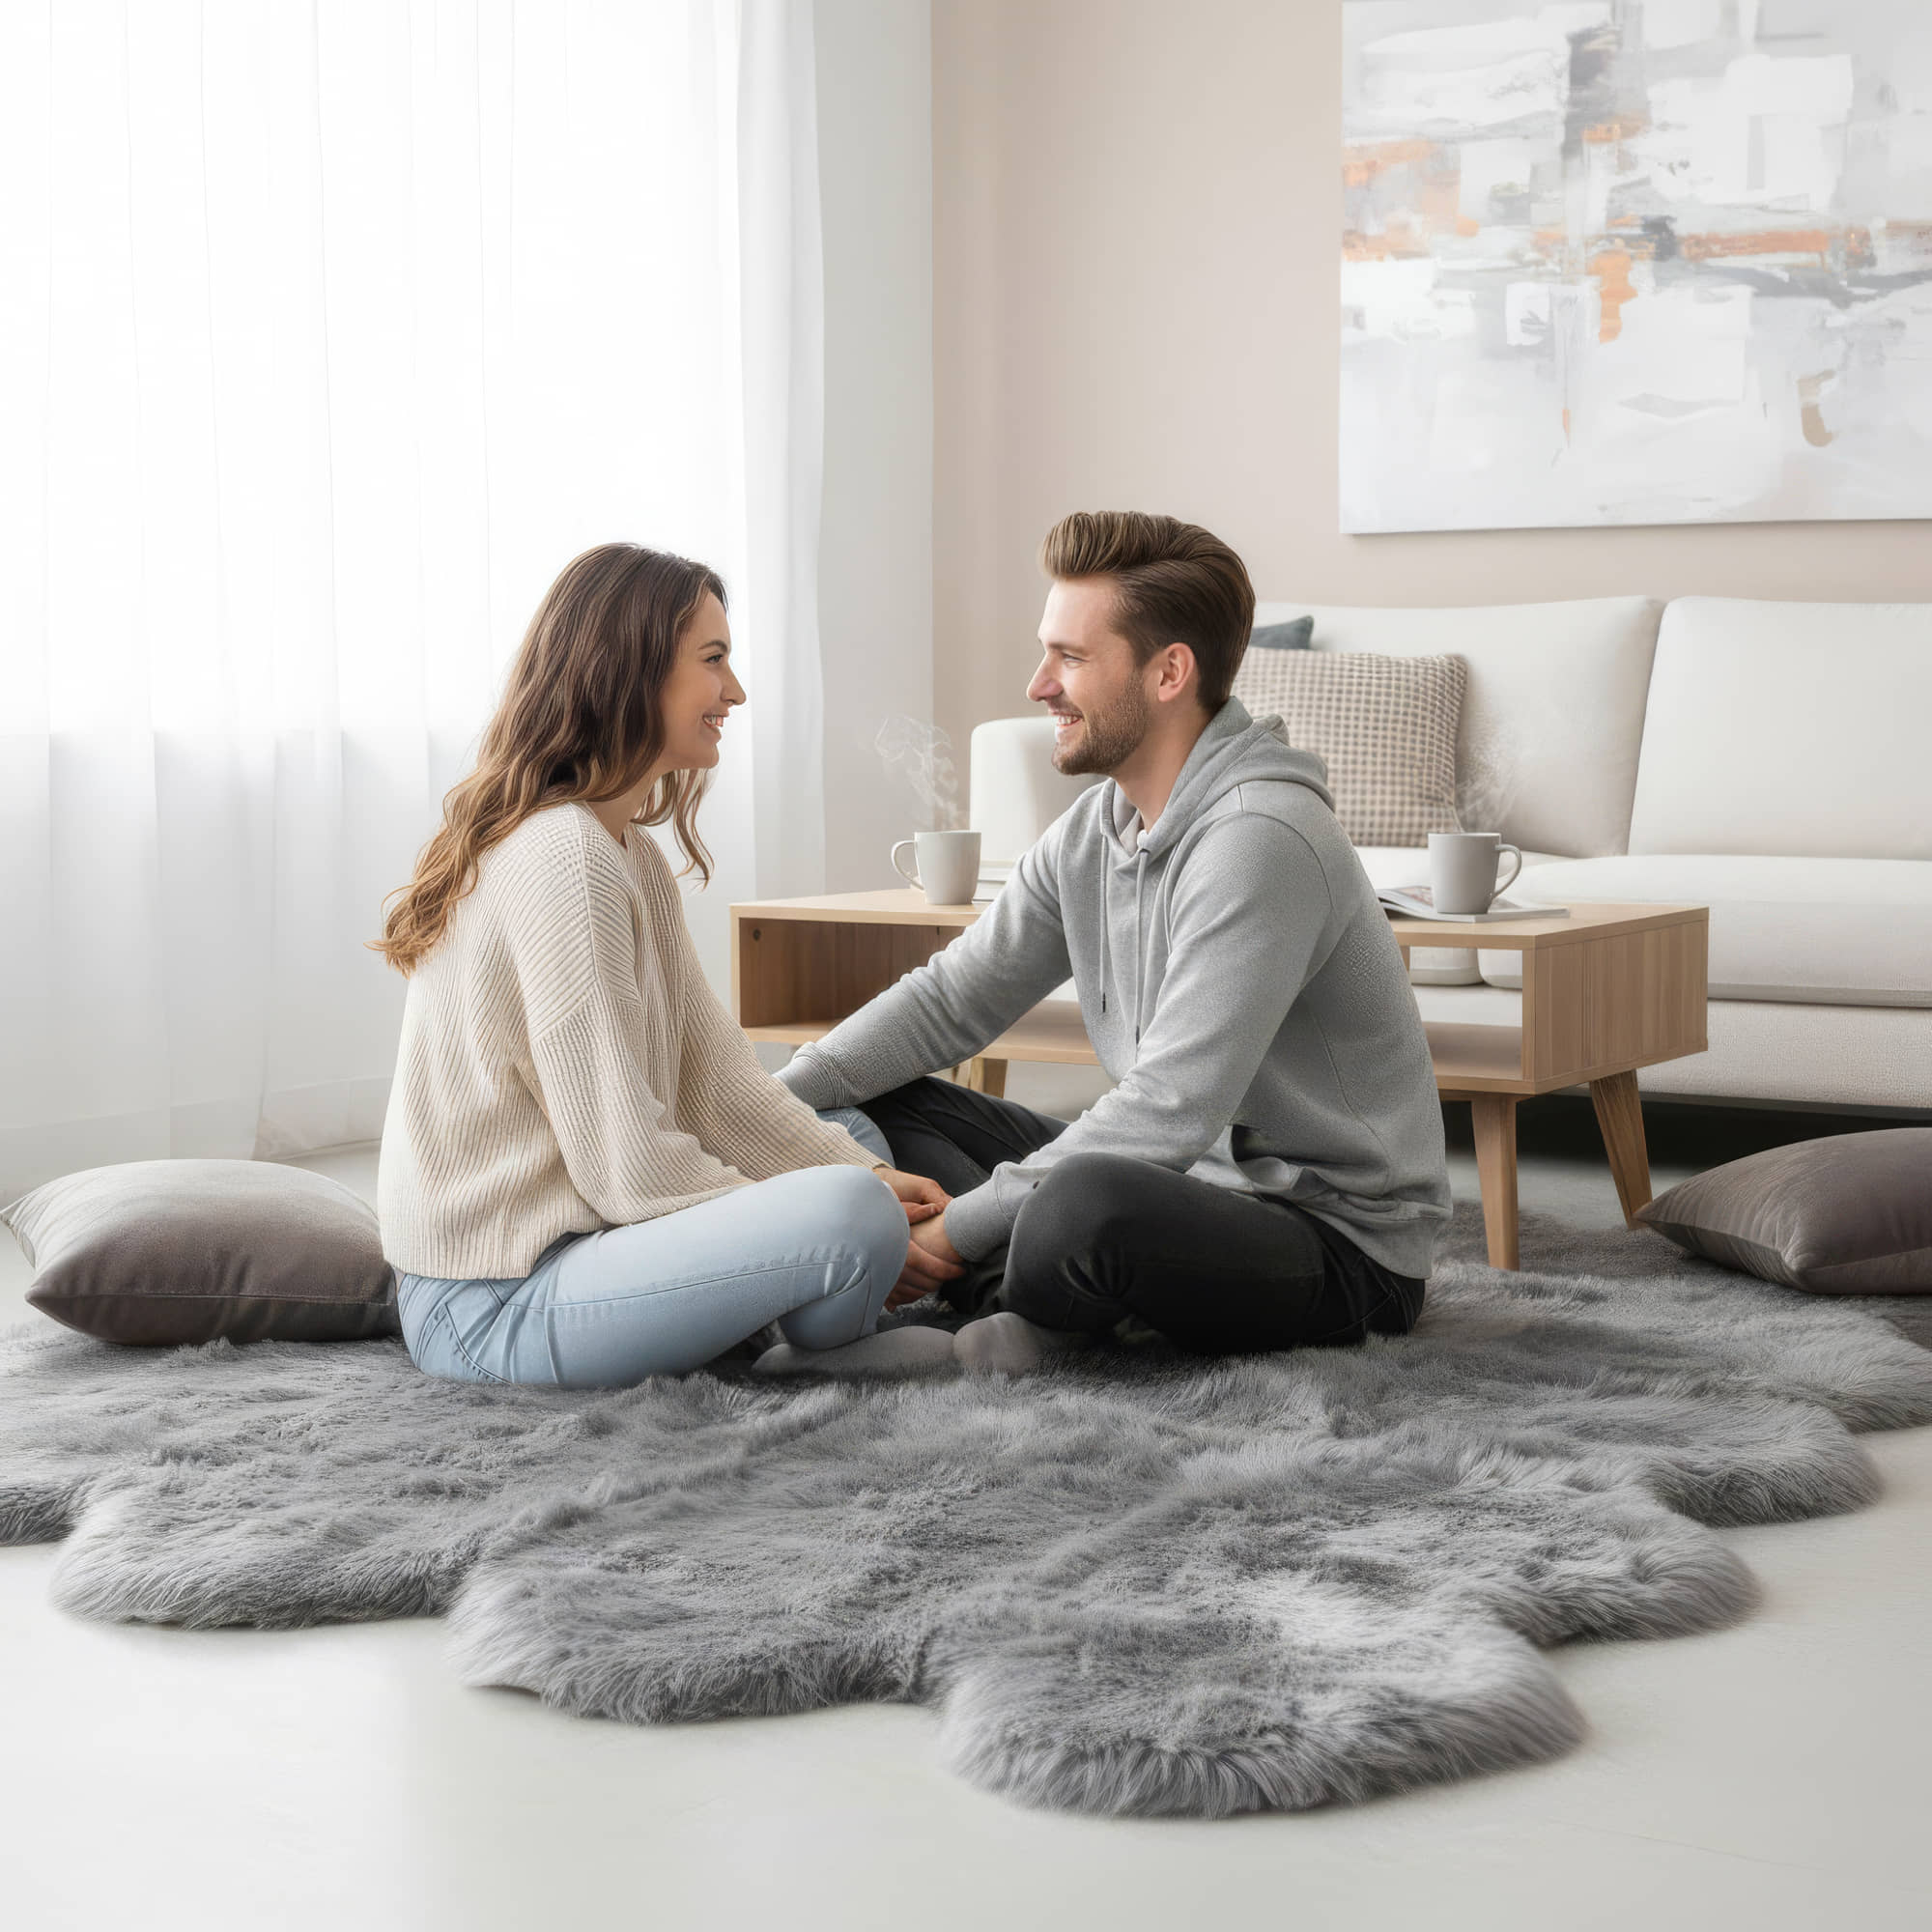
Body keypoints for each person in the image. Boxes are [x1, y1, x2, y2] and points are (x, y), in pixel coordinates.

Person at [776, 511, 1454, 1375]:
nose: (1037, 685)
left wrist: (954, 1225)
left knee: (1083, 1204)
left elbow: (1169, 1111)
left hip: (1339, 1248)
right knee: (883, 1102)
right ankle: (1025, 1317)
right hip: (1180, 1189)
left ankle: (991, 1314)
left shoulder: (1261, 839)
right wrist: (771, 1114)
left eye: (1070, 657)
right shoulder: (1097, 828)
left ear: (1169, 671)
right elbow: (950, 1001)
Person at [373, 543, 963, 1388]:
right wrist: (854, 1214)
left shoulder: (626, 855)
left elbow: (720, 1085)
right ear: (632, 669)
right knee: (846, 1215)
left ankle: (812, 1295)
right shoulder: (562, 855)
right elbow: (628, 1166)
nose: (737, 692)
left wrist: (867, 1174)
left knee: (857, 1149)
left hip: (588, 1256)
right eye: (714, 661)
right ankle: (813, 1344)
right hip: (496, 1304)